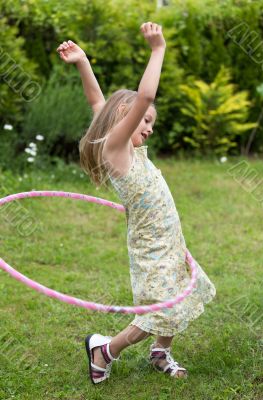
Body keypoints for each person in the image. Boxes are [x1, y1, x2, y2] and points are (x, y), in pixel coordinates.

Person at [57, 21, 216, 385]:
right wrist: (157, 50)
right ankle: (104, 349)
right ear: (124, 118)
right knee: (157, 311)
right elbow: (141, 97)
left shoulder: (127, 148)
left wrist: (83, 62)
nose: (149, 127)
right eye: (144, 120)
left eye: (151, 123)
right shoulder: (115, 150)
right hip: (151, 244)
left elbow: (98, 100)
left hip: (169, 238)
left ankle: (160, 352)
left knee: (174, 296)